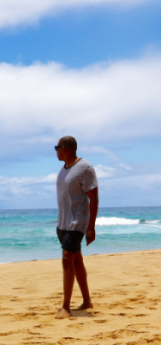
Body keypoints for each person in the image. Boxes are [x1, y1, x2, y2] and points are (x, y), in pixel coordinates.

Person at [55, 136, 99, 319]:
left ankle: (66, 307)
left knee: (67, 259)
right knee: (76, 260)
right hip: (63, 223)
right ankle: (87, 301)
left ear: (65, 148)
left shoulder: (85, 168)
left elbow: (94, 197)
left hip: (77, 221)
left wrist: (91, 227)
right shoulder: (64, 170)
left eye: (57, 147)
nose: (56, 151)